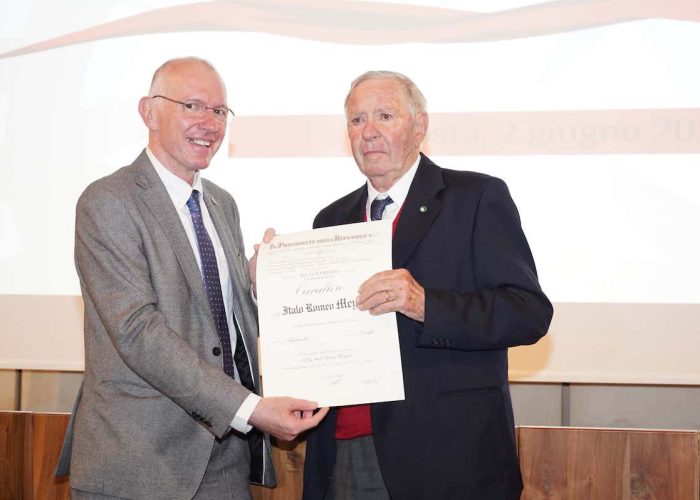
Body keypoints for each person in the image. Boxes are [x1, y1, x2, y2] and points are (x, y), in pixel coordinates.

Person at [55, 57, 328, 500]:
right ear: (148, 111)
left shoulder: (221, 203)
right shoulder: (108, 202)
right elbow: (138, 331)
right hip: (138, 465)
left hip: (224, 458)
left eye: (220, 111)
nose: (209, 123)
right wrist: (250, 409)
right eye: (192, 106)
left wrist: (257, 284)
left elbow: (218, 321)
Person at [301, 71, 553, 500]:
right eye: (357, 120)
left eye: (384, 115)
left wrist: (426, 305)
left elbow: (528, 312)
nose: (370, 132)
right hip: (345, 450)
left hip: (450, 457)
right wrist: (267, 281)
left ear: (420, 126)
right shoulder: (330, 220)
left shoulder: (475, 197)